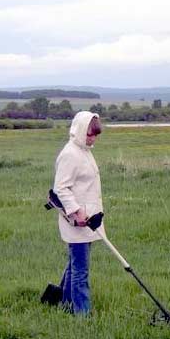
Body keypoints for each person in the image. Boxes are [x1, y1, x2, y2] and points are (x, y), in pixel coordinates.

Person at [53, 111, 105, 316]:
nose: (92, 139)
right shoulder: (70, 154)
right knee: (80, 271)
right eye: (90, 134)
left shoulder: (84, 150)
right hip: (78, 221)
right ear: (80, 129)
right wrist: (76, 210)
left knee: (75, 264)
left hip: (90, 220)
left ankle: (65, 303)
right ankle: (82, 314)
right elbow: (61, 188)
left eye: (95, 135)